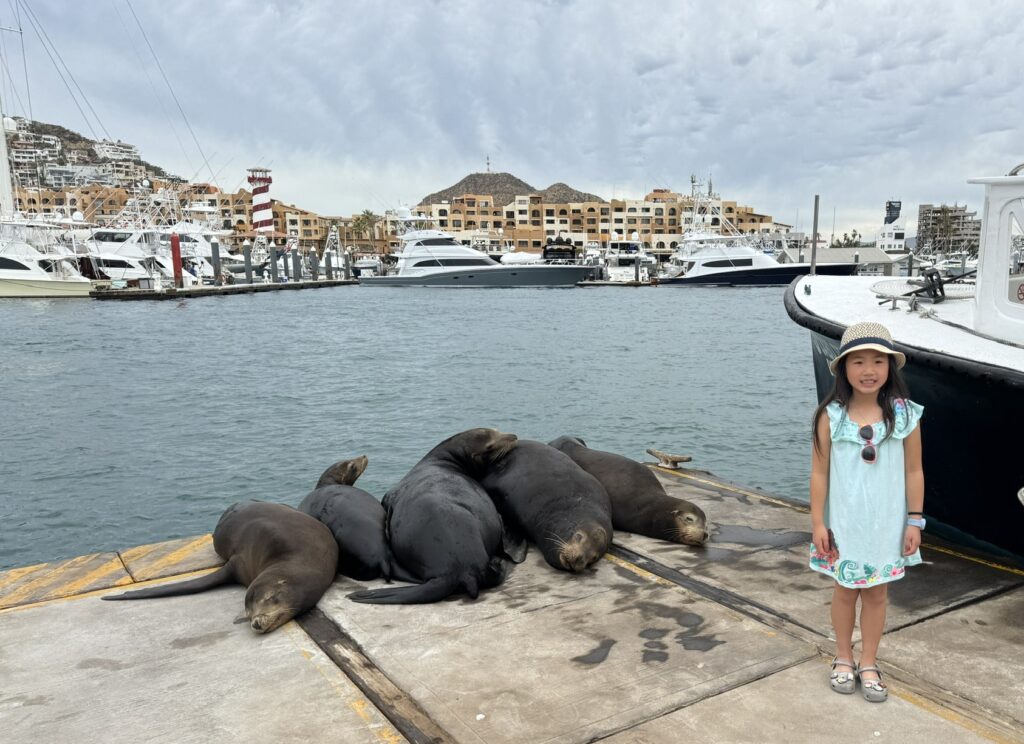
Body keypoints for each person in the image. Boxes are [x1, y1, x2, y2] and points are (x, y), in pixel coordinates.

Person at [809, 321, 925, 703]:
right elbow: (819, 473)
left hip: (887, 524)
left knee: (877, 594)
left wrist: (914, 520)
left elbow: (914, 470)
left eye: (878, 360)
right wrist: (818, 522)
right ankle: (843, 657)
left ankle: (869, 660)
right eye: (858, 362)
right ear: (843, 368)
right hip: (845, 523)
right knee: (845, 590)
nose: (869, 370)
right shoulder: (831, 415)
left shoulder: (905, 415)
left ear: (891, 366)